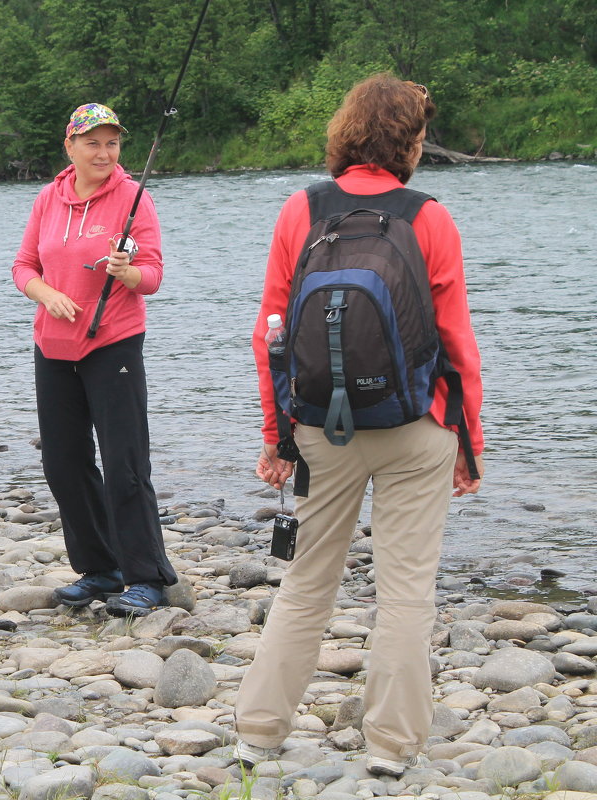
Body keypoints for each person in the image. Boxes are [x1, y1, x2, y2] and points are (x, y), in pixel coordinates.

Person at [233, 74, 485, 777]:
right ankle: (390, 749)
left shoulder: (301, 210)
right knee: (406, 588)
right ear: (409, 140)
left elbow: (271, 334)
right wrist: (468, 442)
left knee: (308, 582)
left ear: (346, 131)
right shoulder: (429, 216)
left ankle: (257, 733)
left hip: (321, 430)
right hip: (416, 427)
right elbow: (458, 345)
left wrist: (276, 436)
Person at [11, 103, 177, 618]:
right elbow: (22, 267)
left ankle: (147, 577)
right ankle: (100, 569)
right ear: (71, 147)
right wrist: (46, 295)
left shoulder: (134, 197)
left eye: (112, 143)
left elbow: (152, 275)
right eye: (93, 143)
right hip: (53, 345)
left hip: (113, 343)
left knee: (125, 463)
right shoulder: (48, 198)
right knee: (63, 462)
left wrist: (126, 273)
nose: (104, 152)